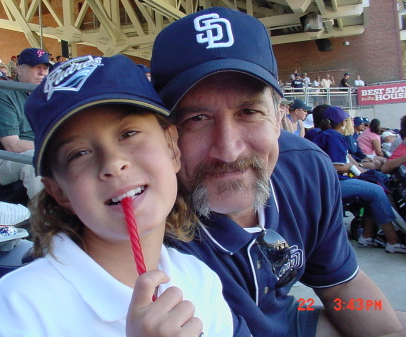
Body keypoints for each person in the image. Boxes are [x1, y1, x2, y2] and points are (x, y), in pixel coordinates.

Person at [150, 7, 406, 337]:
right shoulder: (147, 214)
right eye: (196, 119)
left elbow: (343, 290)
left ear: (280, 117)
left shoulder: (305, 168)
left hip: (288, 314)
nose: (228, 150)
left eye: (248, 111)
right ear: (165, 133)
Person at [0, 54, 236, 337]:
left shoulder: (200, 279)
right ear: (59, 192)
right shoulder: (21, 306)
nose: (112, 163)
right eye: (80, 153)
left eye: (129, 133)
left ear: (172, 147)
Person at [313, 106, 406, 254]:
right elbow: (337, 166)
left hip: (328, 182)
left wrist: (360, 168)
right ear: (342, 122)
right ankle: (393, 241)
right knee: (376, 190)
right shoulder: (333, 136)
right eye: (347, 120)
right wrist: (356, 168)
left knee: (372, 188)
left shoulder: (329, 134)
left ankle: (367, 236)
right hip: (330, 185)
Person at [0, 48, 51, 199]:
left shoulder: (47, 97)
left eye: (45, 68)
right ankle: (47, 219)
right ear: (19, 69)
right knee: (35, 162)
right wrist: (54, 147)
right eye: (36, 67)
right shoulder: (3, 96)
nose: (42, 72)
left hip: (44, 151)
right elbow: (12, 146)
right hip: (6, 159)